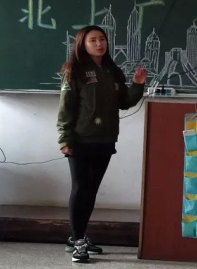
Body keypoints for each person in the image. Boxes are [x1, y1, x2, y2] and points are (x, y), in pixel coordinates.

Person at [56, 25, 147, 263]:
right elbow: (65, 108)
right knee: (80, 189)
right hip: (80, 140)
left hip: (105, 139)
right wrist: (64, 139)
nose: (99, 44)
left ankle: (77, 236)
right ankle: (78, 242)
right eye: (93, 40)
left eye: (102, 39)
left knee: (91, 190)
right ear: (83, 45)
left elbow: (124, 102)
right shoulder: (74, 71)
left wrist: (138, 85)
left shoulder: (111, 71)